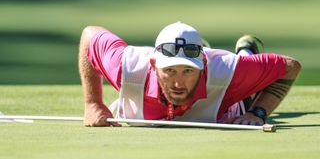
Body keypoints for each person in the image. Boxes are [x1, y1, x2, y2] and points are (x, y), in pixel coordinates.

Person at [78, 21, 301, 127]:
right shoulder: (125, 65)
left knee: (244, 82)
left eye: (188, 71)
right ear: (154, 64)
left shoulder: (227, 71)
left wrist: (258, 113)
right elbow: (90, 34)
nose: (178, 82)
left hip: (231, 102)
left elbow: (290, 67)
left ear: (203, 64)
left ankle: (246, 49)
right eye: (170, 70)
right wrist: (93, 103)